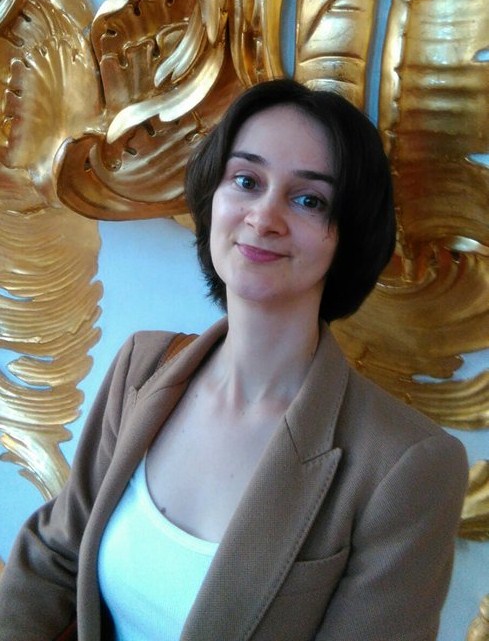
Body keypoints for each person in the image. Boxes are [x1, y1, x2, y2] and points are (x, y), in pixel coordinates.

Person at [0, 78, 468, 641]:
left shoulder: (407, 467)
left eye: (309, 200)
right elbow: (56, 554)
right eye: (246, 181)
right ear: (213, 198)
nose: (264, 217)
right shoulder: (142, 366)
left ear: (347, 236)